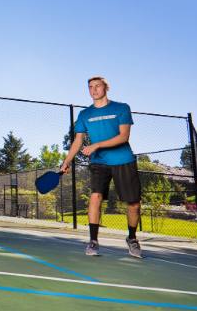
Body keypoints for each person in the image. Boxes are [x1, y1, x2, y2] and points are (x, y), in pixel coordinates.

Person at [60, 77, 143, 258]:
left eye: (98, 86)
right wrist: (67, 161)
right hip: (99, 163)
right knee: (95, 196)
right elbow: (78, 140)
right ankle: (93, 241)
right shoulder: (84, 114)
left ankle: (132, 238)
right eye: (91, 87)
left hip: (124, 160)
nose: (94, 90)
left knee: (134, 204)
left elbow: (123, 137)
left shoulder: (121, 108)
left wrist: (96, 145)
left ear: (106, 88)